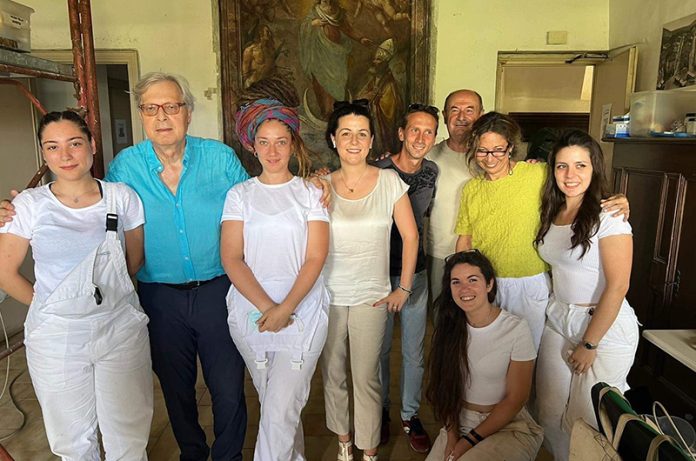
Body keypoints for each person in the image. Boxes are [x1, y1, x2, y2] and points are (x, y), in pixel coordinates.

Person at [0, 111, 153, 460]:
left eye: (74, 143)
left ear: (92, 145)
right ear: (44, 153)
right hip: (57, 337)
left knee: (128, 432)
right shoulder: (29, 205)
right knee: (72, 439)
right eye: (53, 147)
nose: (65, 155)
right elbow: (5, 272)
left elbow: (134, 260)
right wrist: (53, 304)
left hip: (119, 327)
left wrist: (99, 296)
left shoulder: (121, 197)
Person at [454, 112, 629, 350]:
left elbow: (576, 184)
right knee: (486, 350)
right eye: (482, 151)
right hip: (487, 283)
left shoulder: (538, 173)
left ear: (510, 148)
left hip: (530, 283)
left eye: (498, 150)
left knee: (526, 352)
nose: (490, 158)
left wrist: (618, 199)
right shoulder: (471, 189)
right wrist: (462, 280)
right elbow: (465, 239)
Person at [221, 97, 329, 460]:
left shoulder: (311, 193)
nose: (272, 151)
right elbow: (232, 257)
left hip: (304, 312)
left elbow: (315, 257)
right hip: (251, 313)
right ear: (252, 145)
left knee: (279, 411)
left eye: (281, 142)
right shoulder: (240, 195)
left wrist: (287, 308)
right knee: (276, 407)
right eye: (264, 142)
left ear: (293, 144)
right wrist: (270, 308)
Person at [320, 99, 418, 461]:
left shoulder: (389, 181)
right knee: (332, 373)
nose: (354, 140)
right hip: (328, 295)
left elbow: (411, 236)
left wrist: (404, 287)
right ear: (333, 139)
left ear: (372, 140)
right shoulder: (320, 185)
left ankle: (369, 449)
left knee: (367, 377)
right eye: (346, 133)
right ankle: (344, 442)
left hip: (372, 295)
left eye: (362, 133)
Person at [534, 130, 639, 461]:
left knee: (588, 422)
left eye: (580, 165)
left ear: (595, 168)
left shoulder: (610, 216)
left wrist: (590, 344)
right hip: (559, 318)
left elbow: (618, 286)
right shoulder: (552, 210)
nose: (570, 175)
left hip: (602, 326)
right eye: (562, 166)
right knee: (549, 412)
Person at [425, 250, 543, 461]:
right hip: (461, 421)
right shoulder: (449, 328)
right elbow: (446, 388)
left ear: (489, 284)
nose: (464, 289)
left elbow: (516, 399)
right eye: (456, 282)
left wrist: (466, 443)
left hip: (507, 424)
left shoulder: (516, 328)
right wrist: (452, 435)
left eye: (473, 280)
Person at [374, 103, 439, 452]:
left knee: (414, 352)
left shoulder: (432, 172)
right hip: (379, 275)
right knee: (380, 349)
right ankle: (381, 410)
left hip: (417, 273)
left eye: (428, 131)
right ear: (401, 133)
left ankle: (409, 415)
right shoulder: (378, 170)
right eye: (415, 129)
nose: (421, 137)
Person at [426, 90, 484, 304]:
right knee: (442, 314)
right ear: (444, 115)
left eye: (469, 110)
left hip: (484, 254)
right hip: (440, 254)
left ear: (481, 115)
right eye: (454, 110)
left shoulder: (490, 158)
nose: (462, 117)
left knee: (480, 316)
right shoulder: (428, 157)